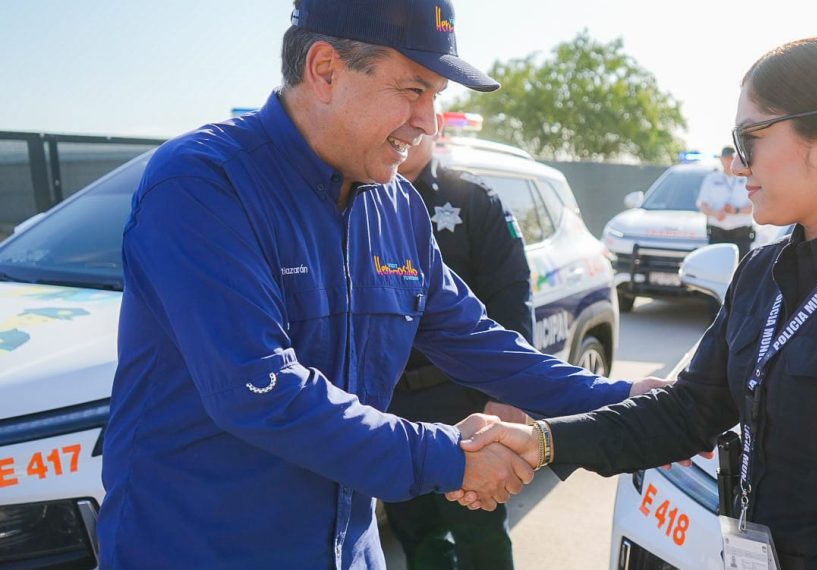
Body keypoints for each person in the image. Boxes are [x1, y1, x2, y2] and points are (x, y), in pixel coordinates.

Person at [98, 1, 665, 568]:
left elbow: (476, 340)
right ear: (325, 70)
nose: (429, 122)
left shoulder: (397, 206)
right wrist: (454, 456)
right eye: (413, 90)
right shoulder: (203, 183)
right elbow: (262, 390)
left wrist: (625, 401)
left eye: (436, 96)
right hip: (199, 550)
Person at [455, 37, 817, 569]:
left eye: (748, 140)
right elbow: (687, 412)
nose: (735, 165)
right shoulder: (761, 271)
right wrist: (546, 440)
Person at [384, 121, 533, 569]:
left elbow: (511, 297)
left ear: (437, 124)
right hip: (388, 404)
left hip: (460, 399)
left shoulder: (471, 197)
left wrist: (507, 396)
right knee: (417, 535)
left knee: (479, 533)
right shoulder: (361, 194)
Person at [697, 146, 754, 260]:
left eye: (731, 158)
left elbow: (755, 206)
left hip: (741, 235)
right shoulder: (711, 179)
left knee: (741, 272)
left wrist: (736, 210)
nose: (729, 161)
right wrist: (715, 213)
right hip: (718, 234)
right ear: (721, 159)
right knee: (716, 270)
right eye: (726, 158)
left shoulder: (747, 178)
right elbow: (702, 205)